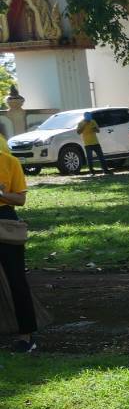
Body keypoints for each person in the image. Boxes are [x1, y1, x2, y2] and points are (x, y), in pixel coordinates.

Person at [0, 145, 40, 353]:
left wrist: (1, 193)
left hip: (5, 222)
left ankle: (27, 335)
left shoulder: (10, 162)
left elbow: (21, 199)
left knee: (16, 279)